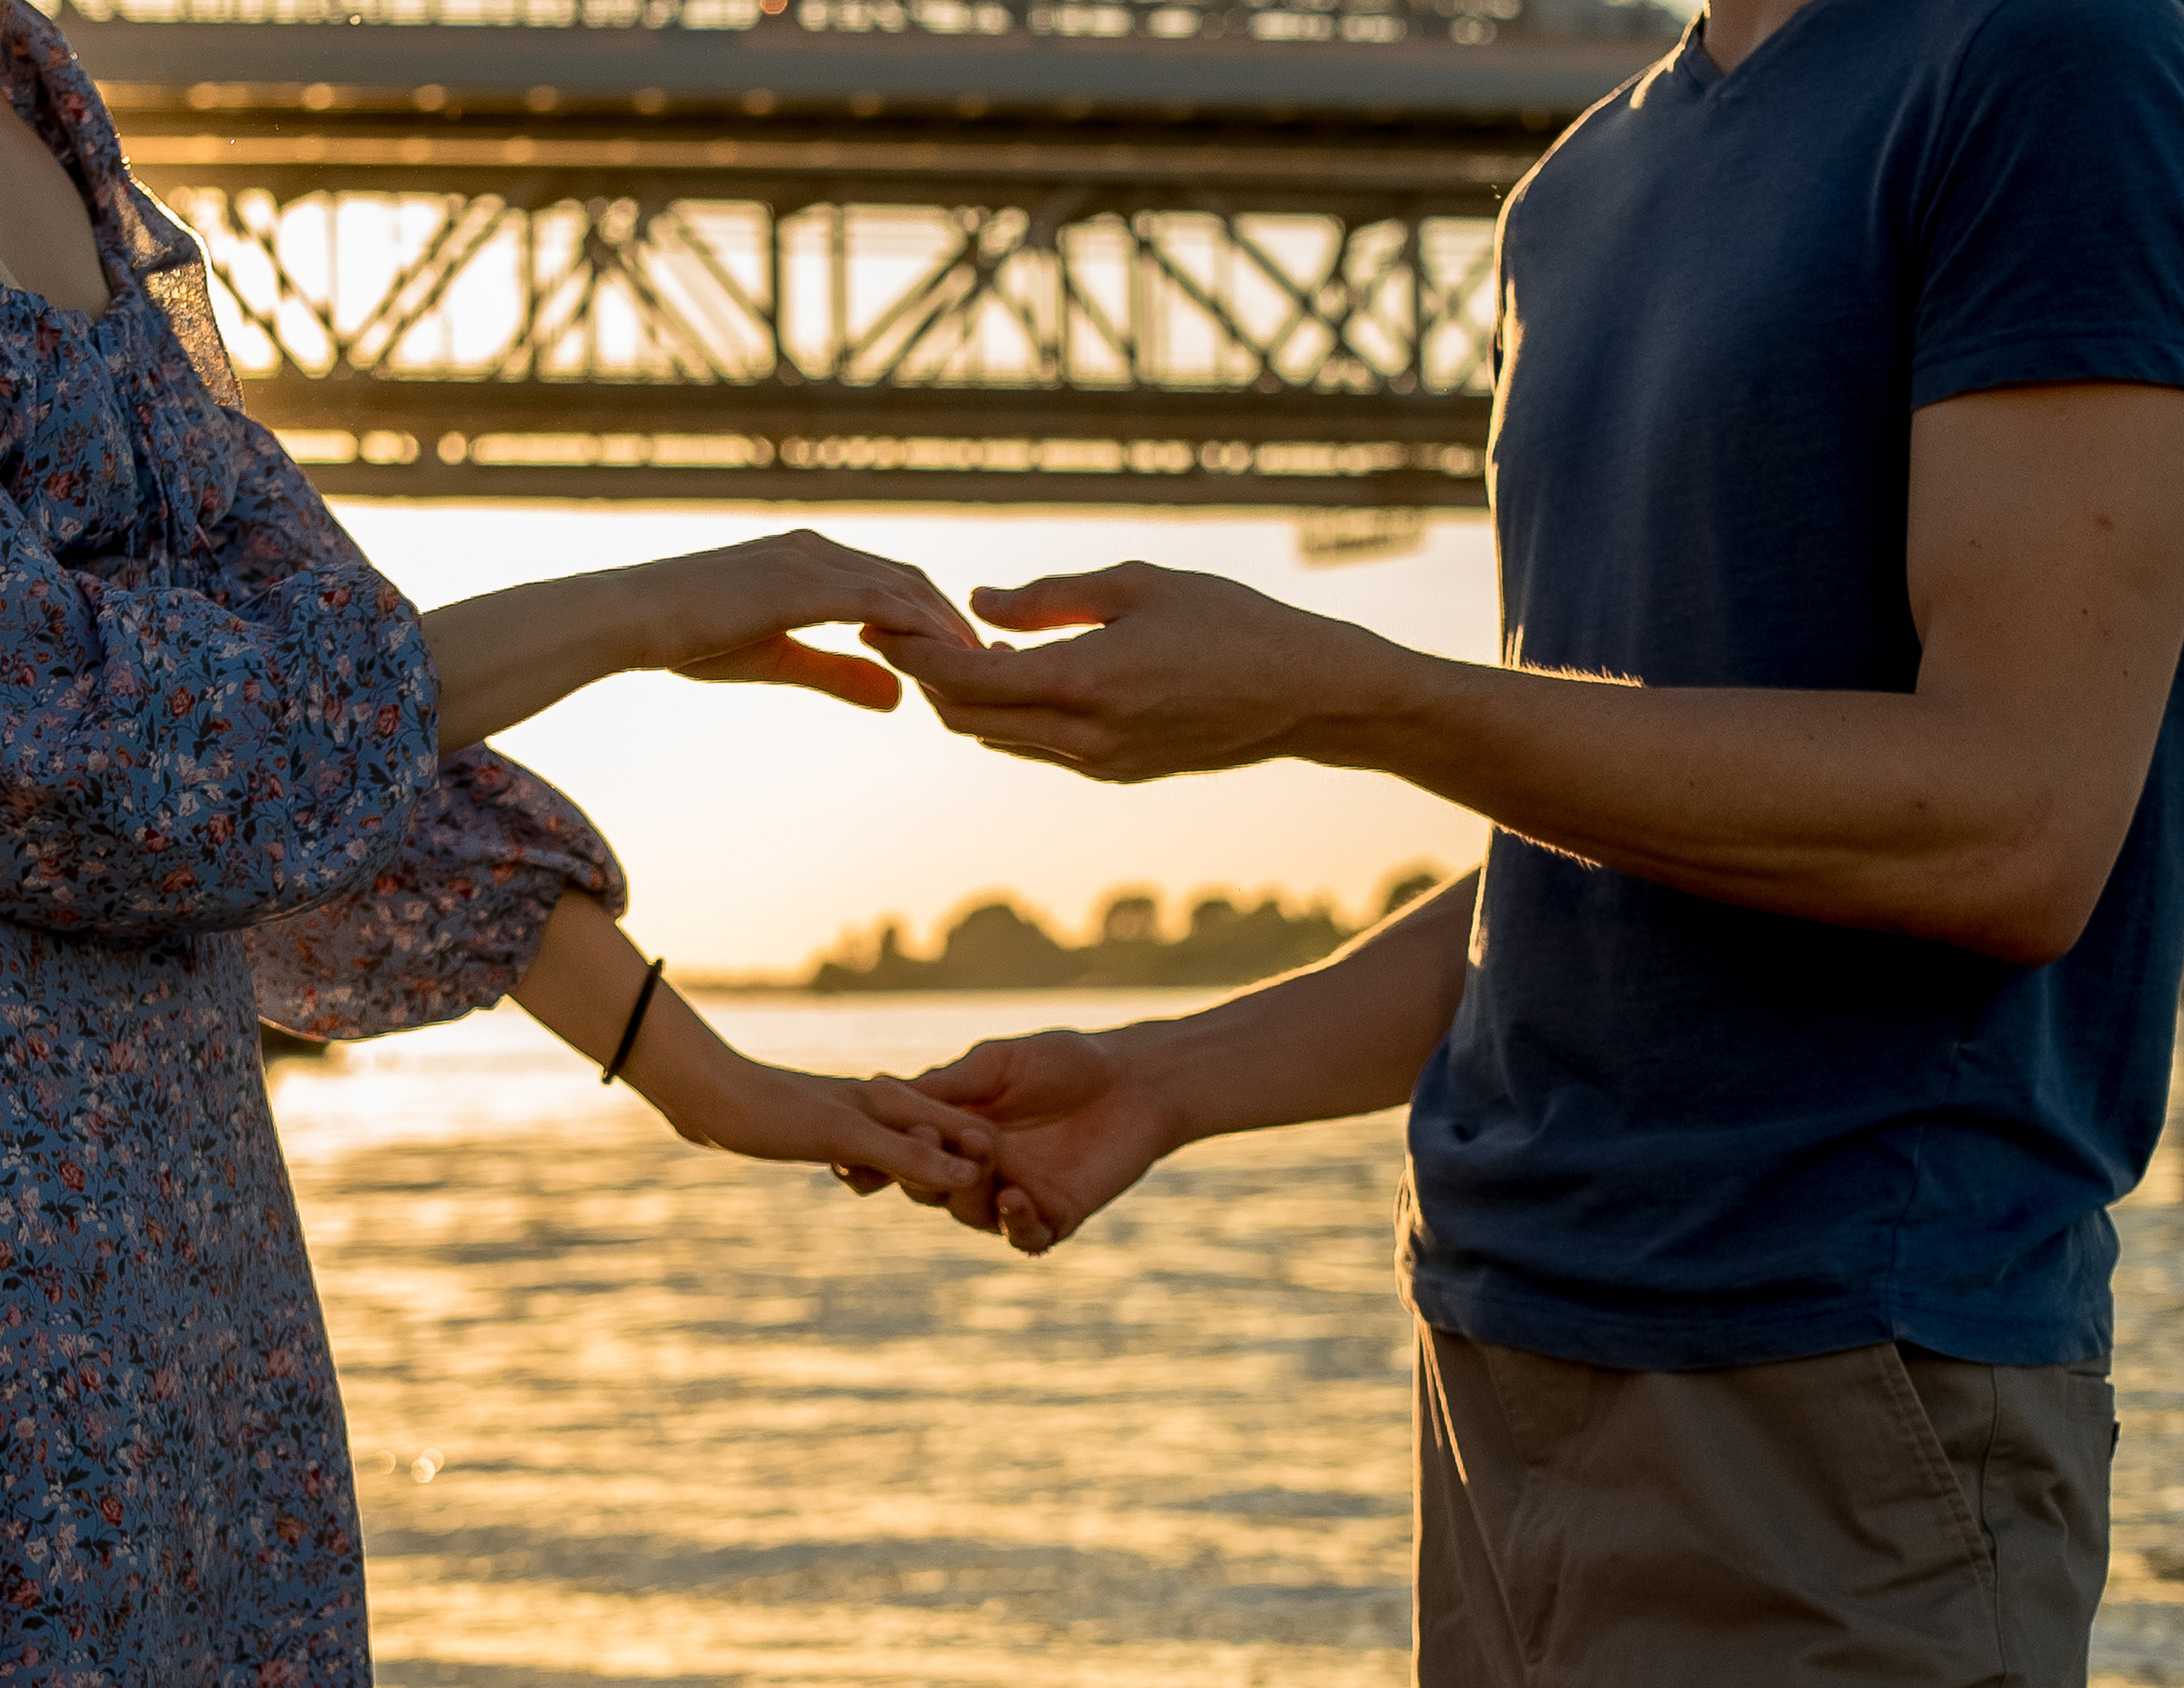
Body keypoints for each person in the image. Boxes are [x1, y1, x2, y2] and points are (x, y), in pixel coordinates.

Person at [0, 0, 997, 1680]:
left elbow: (301, 696)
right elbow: (37, 730)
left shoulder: (30, 83)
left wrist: (711, 1081)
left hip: (171, 1239)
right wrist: (637, 608)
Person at [863, 0, 2184, 1682]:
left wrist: (1347, 695)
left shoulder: (2054, 55)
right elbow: (1599, 852)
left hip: (1841, 1387)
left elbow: (2018, 822)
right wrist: (1171, 1076)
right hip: (1493, 1362)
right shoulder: (1572, 192)